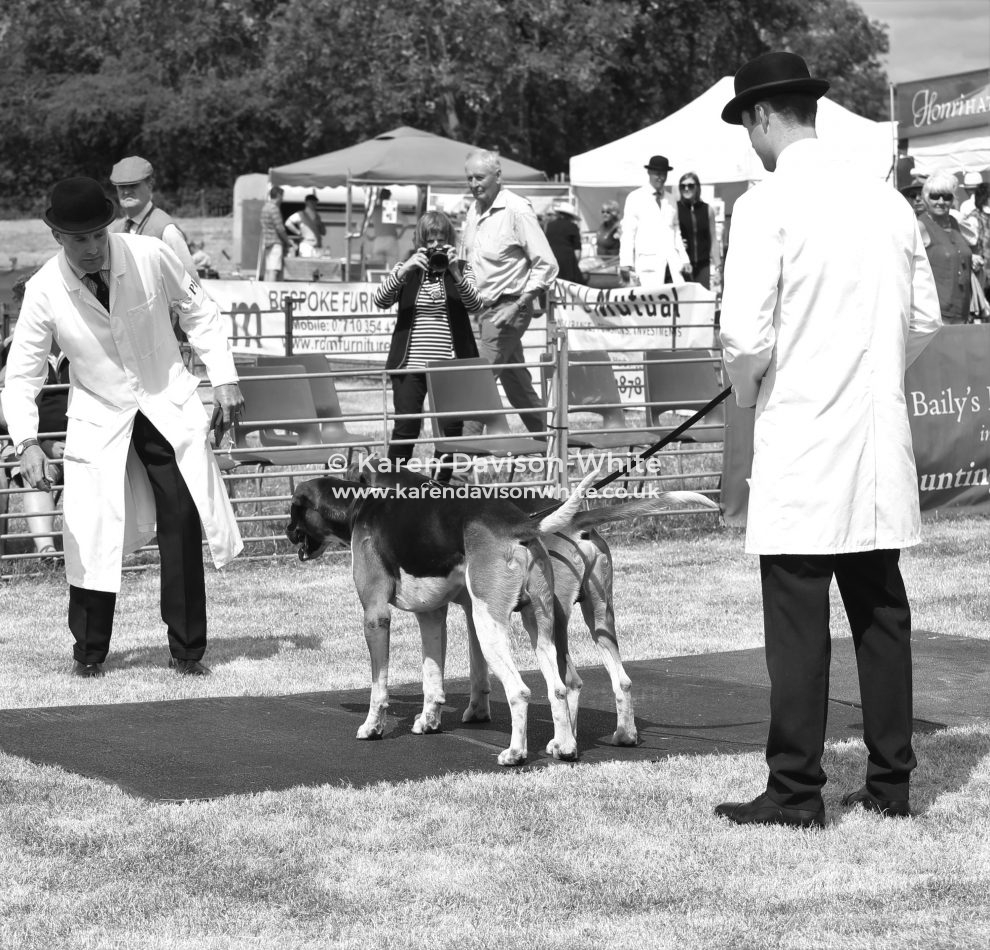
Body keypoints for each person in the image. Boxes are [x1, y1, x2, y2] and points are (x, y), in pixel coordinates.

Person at [715, 52, 942, 827]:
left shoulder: (764, 205)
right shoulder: (887, 201)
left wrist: (751, 389)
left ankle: (794, 791)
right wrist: (872, 372)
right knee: (881, 615)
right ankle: (891, 784)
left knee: (797, 622)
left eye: (747, 124)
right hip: (875, 435)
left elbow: (745, 338)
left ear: (761, 117)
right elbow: (925, 320)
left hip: (804, 434)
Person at [1, 177, 245, 678]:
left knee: (181, 519)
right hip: (99, 413)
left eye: (98, 234)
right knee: (92, 531)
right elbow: (22, 375)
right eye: (79, 239)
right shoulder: (44, 289)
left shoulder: (150, 254)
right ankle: (89, 653)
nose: (92, 247)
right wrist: (26, 441)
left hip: (163, 402)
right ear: (57, 237)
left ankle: (187, 651)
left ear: (110, 224)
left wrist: (224, 377)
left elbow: (199, 312)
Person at [374, 211, 482, 481]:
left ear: (449, 241)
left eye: (441, 239)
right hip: (409, 364)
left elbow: (475, 305)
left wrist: (454, 272)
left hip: (450, 366)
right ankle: (392, 487)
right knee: (406, 428)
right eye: (430, 240)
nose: (435, 245)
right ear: (420, 242)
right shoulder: (407, 268)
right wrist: (405, 269)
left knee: (449, 431)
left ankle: (439, 488)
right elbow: (380, 300)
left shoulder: (462, 268)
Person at [460, 150, 558, 435]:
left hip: (509, 307)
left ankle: (460, 459)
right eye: (469, 178)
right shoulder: (474, 210)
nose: (474, 184)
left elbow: (547, 264)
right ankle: (552, 442)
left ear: (498, 176)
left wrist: (518, 305)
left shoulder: (517, 209)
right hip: (485, 309)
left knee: (479, 381)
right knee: (517, 387)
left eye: (480, 177)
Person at [108, 156, 197, 276]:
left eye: (133, 185)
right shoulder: (116, 230)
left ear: (150, 185)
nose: (126, 191)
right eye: (121, 186)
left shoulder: (166, 230)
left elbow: (190, 279)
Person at [619, 155, 692, 287]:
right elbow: (628, 232)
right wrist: (625, 262)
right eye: (657, 173)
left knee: (676, 297)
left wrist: (684, 258)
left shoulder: (671, 199)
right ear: (649, 172)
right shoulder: (635, 197)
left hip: (672, 265)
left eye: (664, 174)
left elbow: (676, 231)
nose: (660, 177)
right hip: (648, 264)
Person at [918, 170, 974, 324]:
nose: (941, 201)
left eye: (947, 196)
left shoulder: (954, 222)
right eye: (935, 196)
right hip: (936, 313)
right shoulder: (921, 226)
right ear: (926, 198)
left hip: (962, 309)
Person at [675, 172, 721, 290]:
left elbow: (713, 239)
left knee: (702, 300)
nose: (686, 188)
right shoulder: (675, 209)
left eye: (690, 185)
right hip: (682, 265)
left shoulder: (707, 209)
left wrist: (718, 267)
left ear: (697, 187)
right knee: (684, 300)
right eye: (683, 186)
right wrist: (678, 244)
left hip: (703, 265)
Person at [544, 199, 585, 283]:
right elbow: (577, 251)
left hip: (552, 260)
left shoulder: (549, 226)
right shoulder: (573, 226)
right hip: (567, 261)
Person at [365, 188, 404, 268]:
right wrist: (400, 234)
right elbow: (406, 222)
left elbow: (360, 225)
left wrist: (369, 236)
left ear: (379, 197)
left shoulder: (374, 209)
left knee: (378, 267)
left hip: (378, 240)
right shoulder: (391, 209)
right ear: (389, 197)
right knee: (394, 268)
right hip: (391, 239)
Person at [260, 186, 289, 281]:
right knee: (274, 270)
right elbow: (280, 228)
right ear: (278, 195)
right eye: (282, 196)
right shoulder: (274, 209)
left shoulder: (265, 207)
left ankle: (265, 289)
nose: (282, 199)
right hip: (275, 242)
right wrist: (288, 241)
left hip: (267, 242)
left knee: (268, 270)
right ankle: (271, 289)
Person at [285, 194, 326, 258]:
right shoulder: (301, 214)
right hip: (306, 245)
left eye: (315, 202)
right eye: (311, 202)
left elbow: (323, 232)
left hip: (317, 247)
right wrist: (298, 232)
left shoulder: (317, 216)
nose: (313, 204)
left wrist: (320, 224)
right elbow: (288, 223)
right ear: (307, 202)